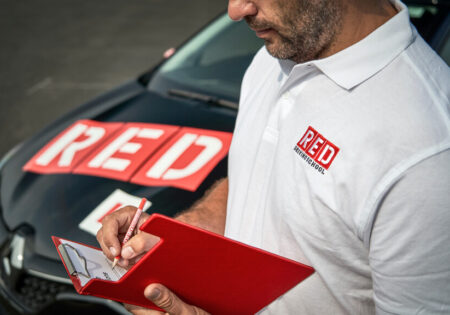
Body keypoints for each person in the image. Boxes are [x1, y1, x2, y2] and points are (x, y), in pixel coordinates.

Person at [97, 0, 450, 314]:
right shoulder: (274, 57)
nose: (236, 10)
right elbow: (259, 176)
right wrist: (178, 236)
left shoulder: (428, 152)